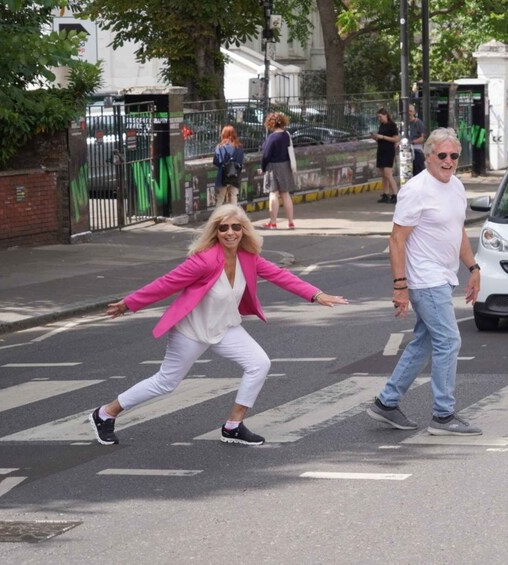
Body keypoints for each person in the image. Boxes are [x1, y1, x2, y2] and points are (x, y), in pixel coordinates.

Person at [88, 204, 349, 447]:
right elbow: (167, 283)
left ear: (243, 230)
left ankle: (233, 425)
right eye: (223, 228)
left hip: (226, 327)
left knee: (259, 363)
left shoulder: (249, 258)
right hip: (192, 330)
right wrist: (130, 303)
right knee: (166, 382)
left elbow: (281, 276)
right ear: (216, 231)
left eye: (236, 227)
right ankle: (105, 413)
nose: (230, 232)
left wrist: (316, 295)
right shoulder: (204, 260)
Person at [366, 127, 482, 436]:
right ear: (428, 156)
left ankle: (386, 403)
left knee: (426, 341)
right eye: (441, 155)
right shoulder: (416, 189)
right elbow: (396, 240)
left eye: (453, 156)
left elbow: (457, 233)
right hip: (424, 279)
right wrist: (400, 286)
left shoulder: (456, 186)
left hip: (444, 277)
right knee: (449, 340)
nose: (448, 161)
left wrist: (473, 267)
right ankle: (443, 416)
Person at [260, 112, 297, 229]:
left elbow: (266, 155)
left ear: (271, 123)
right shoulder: (286, 135)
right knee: (285, 194)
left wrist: (263, 167)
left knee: (273, 194)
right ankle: (291, 222)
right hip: (285, 165)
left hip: (273, 167)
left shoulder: (272, 137)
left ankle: (273, 222)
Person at [372, 108, 400, 203]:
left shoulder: (392, 125)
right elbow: (381, 137)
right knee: (383, 175)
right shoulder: (382, 125)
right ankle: (386, 193)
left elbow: (396, 139)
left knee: (388, 174)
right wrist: (376, 138)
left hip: (388, 151)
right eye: (378, 117)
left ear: (385, 115)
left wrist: (382, 137)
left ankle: (395, 194)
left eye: (380, 116)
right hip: (381, 150)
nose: (379, 119)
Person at [213, 125, 245, 206]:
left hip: (222, 175)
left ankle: (218, 217)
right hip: (235, 174)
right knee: (234, 197)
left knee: (220, 198)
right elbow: (240, 162)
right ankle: (233, 216)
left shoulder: (219, 147)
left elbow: (216, 162)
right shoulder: (239, 147)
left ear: (223, 134)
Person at [407, 104, 426, 176]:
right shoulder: (405, 124)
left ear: (414, 112)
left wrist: (412, 142)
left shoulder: (418, 123)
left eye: (411, 111)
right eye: (407, 111)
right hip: (407, 151)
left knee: (418, 174)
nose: (409, 113)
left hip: (417, 151)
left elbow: (423, 138)